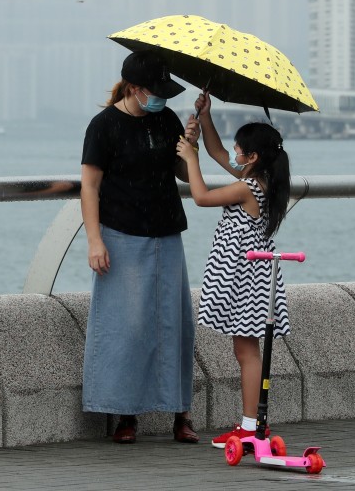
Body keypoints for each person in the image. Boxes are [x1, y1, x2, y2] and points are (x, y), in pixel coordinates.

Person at [80, 49, 200, 445]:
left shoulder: (166, 119)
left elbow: (181, 173)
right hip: (121, 234)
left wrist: (191, 146)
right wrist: (95, 240)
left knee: (175, 323)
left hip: (167, 233)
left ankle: (180, 413)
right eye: (155, 90)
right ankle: (125, 415)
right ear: (134, 88)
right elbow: (90, 186)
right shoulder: (104, 126)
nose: (162, 98)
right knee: (127, 327)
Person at [174, 92, 292, 449]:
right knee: (247, 350)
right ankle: (252, 424)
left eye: (240, 150)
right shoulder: (262, 180)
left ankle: (251, 426)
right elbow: (218, 153)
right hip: (252, 274)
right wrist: (205, 118)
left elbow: (201, 197)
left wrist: (189, 157)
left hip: (246, 277)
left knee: (246, 351)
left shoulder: (247, 187)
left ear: (253, 157)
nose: (234, 154)